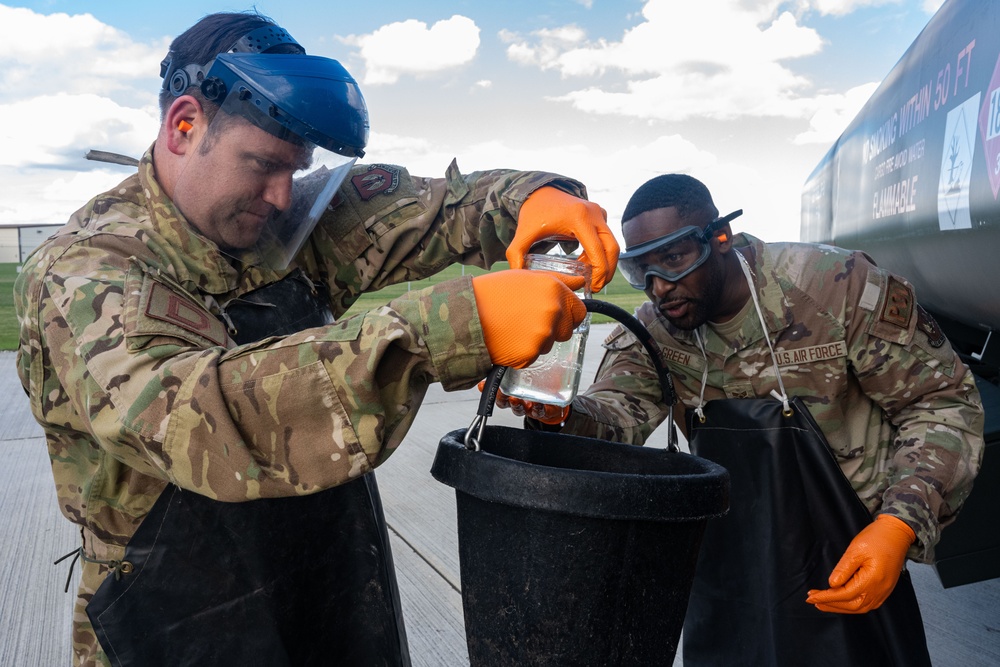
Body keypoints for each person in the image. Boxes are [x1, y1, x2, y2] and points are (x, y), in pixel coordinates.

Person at [13, 11, 619, 667]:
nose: (281, 196)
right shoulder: (88, 272)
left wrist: (533, 200)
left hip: (319, 583)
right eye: (262, 164)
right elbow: (194, 420)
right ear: (185, 126)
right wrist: (449, 328)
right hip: (171, 619)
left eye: (295, 167)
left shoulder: (278, 221)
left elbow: (436, 207)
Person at [500, 173, 984, 665]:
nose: (660, 286)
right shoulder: (654, 329)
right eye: (641, 269)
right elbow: (615, 421)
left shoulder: (835, 288)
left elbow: (941, 402)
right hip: (728, 568)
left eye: (674, 258)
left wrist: (898, 526)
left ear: (720, 237)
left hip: (849, 551)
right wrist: (555, 414)